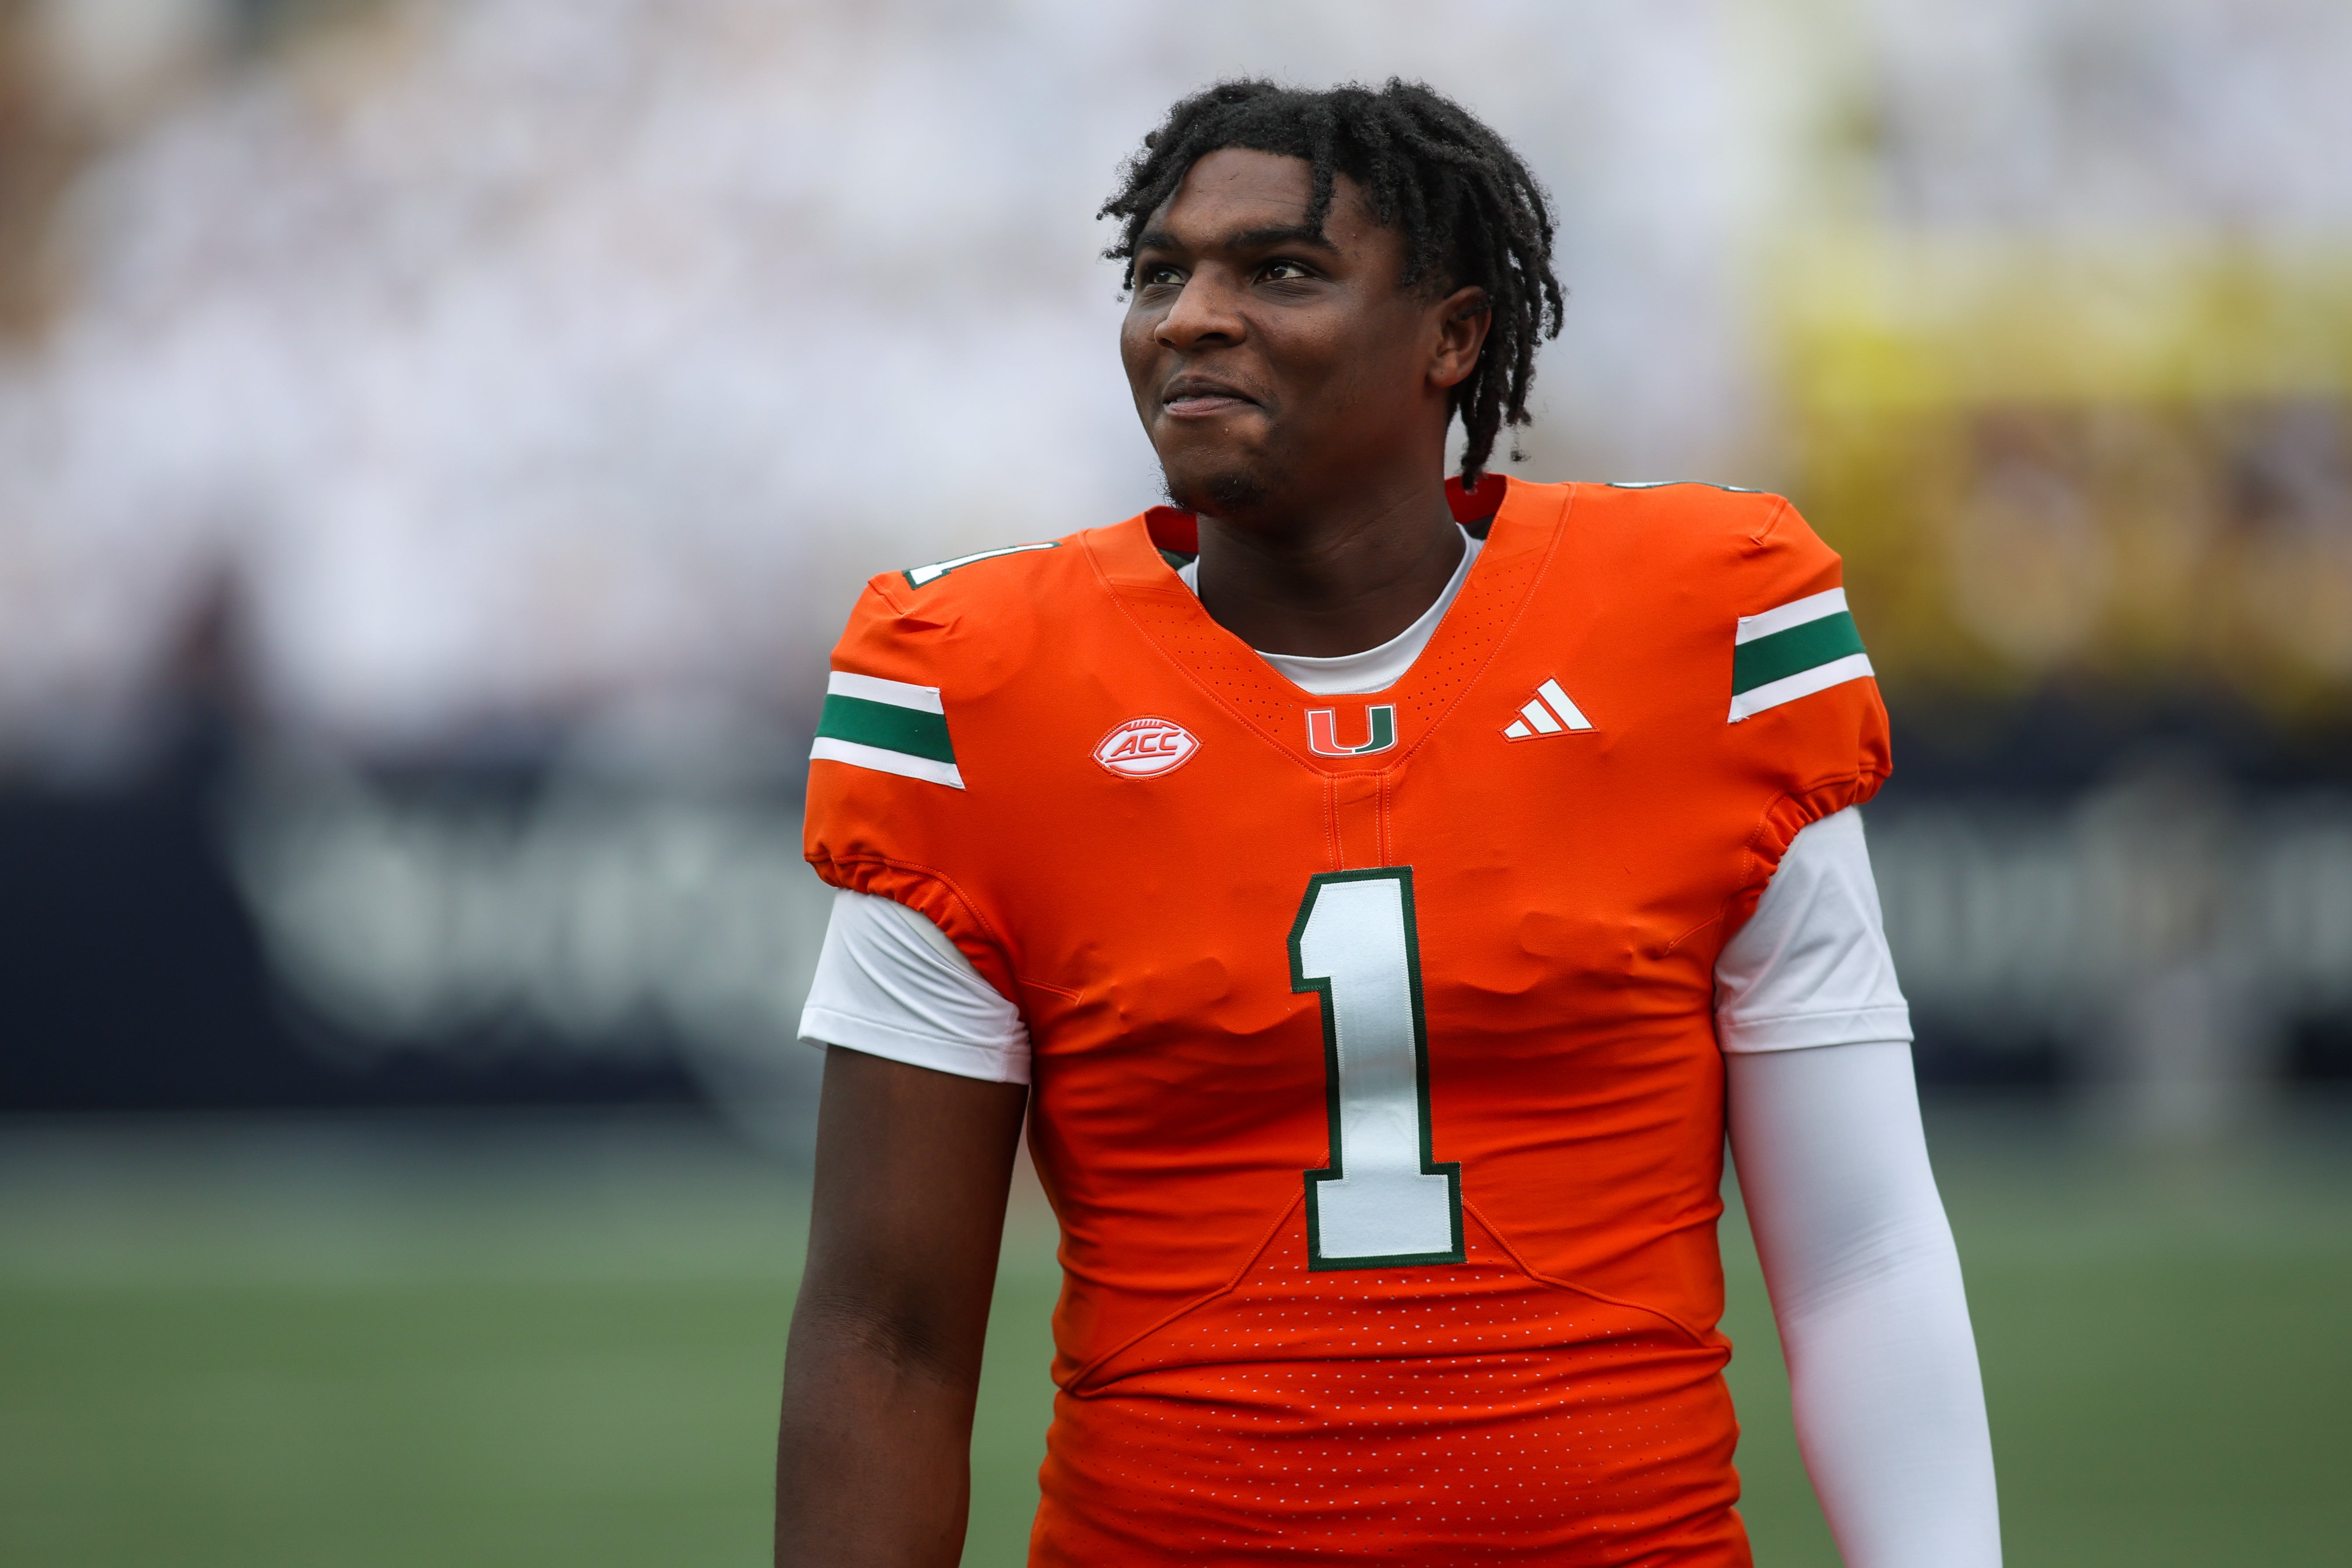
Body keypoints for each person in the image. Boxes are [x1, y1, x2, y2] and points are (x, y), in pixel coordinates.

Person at [774, 78, 1999, 1568]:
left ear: (1454, 335)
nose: (1191, 317)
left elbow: (1859, 1255)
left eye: (1279, 271)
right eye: (1160, 272)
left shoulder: (1703, 623)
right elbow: (885, 1330)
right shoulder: (976, 685)